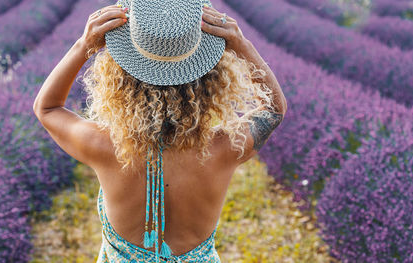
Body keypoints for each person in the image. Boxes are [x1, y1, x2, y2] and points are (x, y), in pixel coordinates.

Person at [32, 0, 287, 262]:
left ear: (121, 74)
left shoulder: (105, 146)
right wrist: (240, 44)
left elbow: (47, 108)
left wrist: (84, 44)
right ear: (210, 76)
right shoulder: (222, 148)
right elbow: (273, 111)